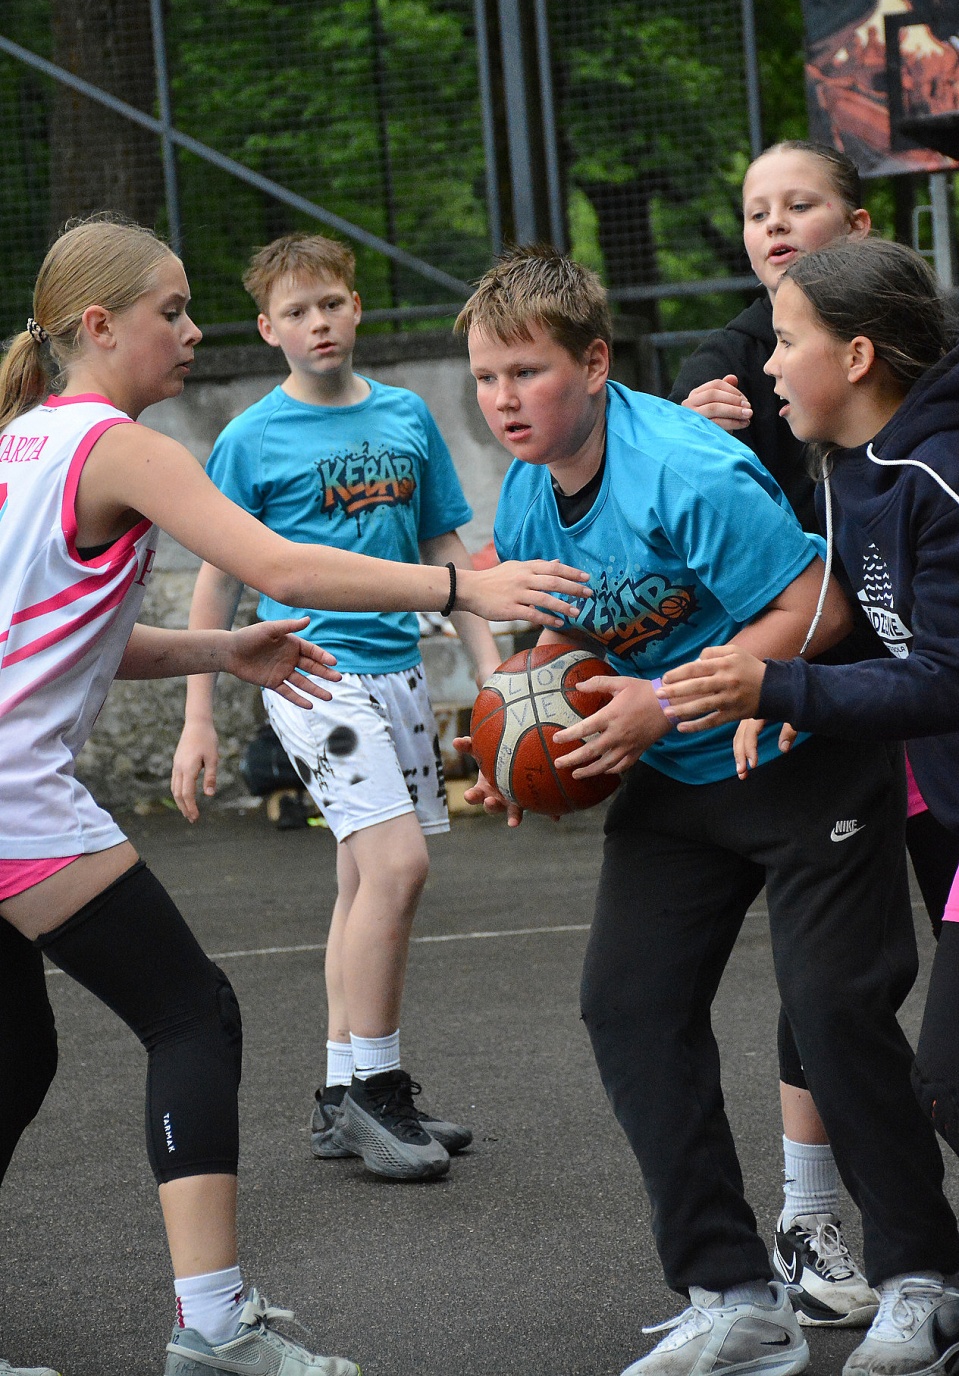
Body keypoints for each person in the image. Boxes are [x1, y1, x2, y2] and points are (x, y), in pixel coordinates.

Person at [0, 216, 589, 1376]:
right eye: (172, 311)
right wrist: (458, 586)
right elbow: (275, 565)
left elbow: (58, 640)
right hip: (18, 801)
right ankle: (215, 1327)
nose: (193, 330)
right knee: (191, 1015)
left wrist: (221, 655)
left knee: (18, 1055)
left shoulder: (21, 442)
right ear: (100, 326)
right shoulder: (120, 447)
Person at [453, 245, 959, 1376]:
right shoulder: (529, 493)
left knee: (831, 1013)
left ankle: (921, 1276)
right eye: (485, 378)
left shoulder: (684, 469)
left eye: (526, 373)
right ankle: (732, 1295)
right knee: (626, 1007)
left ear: (594, 364)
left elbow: (816, 609)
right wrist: (521, 740)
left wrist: (665, 700)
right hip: (676, 772)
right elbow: (573, 632)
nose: (502, 400)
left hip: (799, 756)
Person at [670, 140, 959, 1328]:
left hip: (930, 757)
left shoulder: (931, 476)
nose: (765, 359)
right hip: (930, 784)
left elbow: (940, 675)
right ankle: (870, 1249)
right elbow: (853, 623)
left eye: (785, 342)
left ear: (854, 354)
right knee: (911, 1055)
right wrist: (769, 679)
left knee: (941, 1076)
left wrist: (772, 689)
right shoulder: (841, 459)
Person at [170, 232, 497, 1183]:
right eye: (296, 311)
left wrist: (490, 674)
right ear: (267, 329)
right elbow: (217, 583)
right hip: (312, 678)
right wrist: (198, 717)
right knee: (398, 867)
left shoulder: (406, 415)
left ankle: (338, 1093)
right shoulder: (249, 438)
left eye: (331, 303)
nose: (317, 322)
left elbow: (446, 551)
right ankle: (376, 1093)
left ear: (356, 308)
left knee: (361, 883)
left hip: (399, 675)